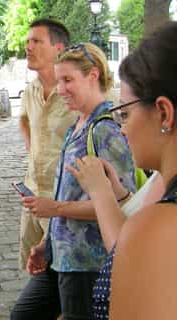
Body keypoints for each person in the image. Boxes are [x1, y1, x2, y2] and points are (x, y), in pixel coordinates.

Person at [11, 42, 137, 320]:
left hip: (86, 264)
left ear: (93, 75)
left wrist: (54, 208)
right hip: (61, 257)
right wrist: (46, 243)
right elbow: (69, 192)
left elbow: (122, 206)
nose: (61, 89)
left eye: (68, 80)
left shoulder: (106, 131)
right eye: (59, 81)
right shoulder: (76, 127)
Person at [66, 22, 177, 319]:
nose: (123, 128)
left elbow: (130, 250)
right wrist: (123, 197)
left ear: (164, 113)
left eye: (125, 113)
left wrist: (100, 191)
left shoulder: (161, 227)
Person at [17, 18, 75, 272]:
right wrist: (33, 150)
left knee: (62, 275)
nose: (28, 47)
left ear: (58, 49)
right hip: (31, 193)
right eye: (28, 41)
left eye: (37, 41)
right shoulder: (31, 90)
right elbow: (23, 120)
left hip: (64, 200)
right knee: (33, 270)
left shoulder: (79, 90)